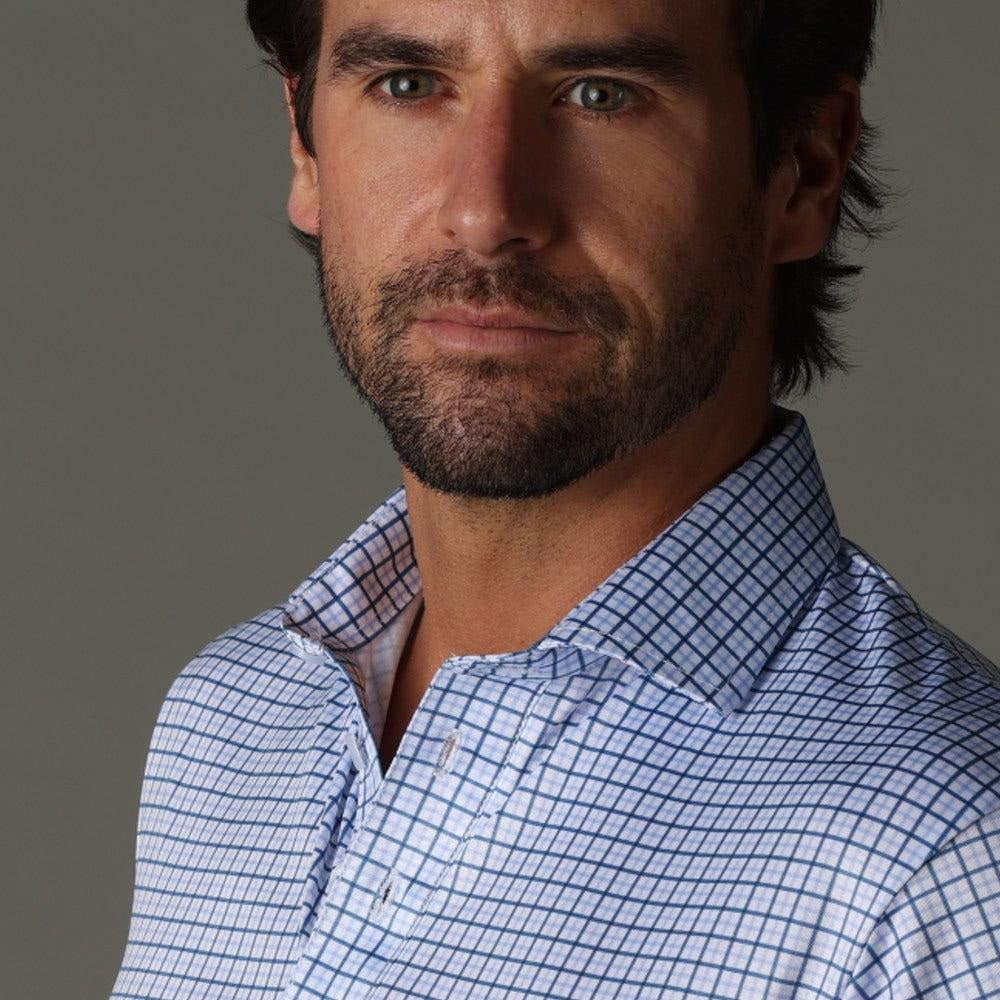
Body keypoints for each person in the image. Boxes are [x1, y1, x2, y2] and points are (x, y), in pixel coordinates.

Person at [111, 1, 1000, 997]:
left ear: (801, 167)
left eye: (601, 94)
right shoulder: (232, 721)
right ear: (305, 147)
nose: (486, 210)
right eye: (407, 85)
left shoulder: (948, 860)